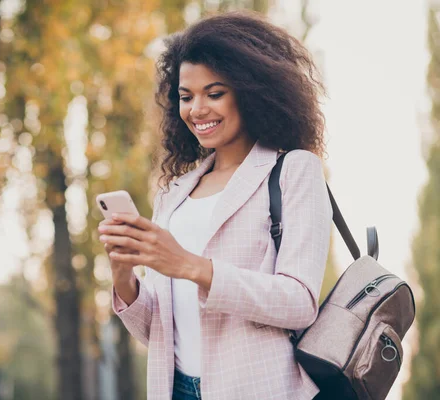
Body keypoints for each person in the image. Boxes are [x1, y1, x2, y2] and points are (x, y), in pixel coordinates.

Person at [97, 10, 332, 400]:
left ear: (251, 90)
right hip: (175, 389)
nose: (197, 109)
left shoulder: (293, 170)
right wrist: (124, 276)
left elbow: (300, 302)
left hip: (259, 388)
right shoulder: (173, 194)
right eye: (186, 97)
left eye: (215, 93)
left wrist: (193, 267)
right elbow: (156, 329)